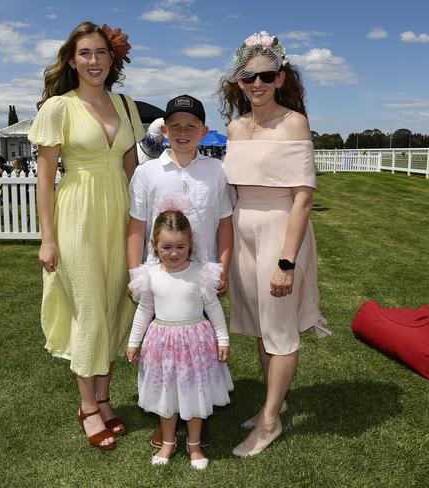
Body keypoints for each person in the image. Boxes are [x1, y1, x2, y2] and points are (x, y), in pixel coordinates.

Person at [28, 21, 144, 451]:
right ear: (72, 60)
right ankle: (87, 407)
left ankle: (105, 397)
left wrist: (145, 222)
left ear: (112, 59)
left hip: (121, 213)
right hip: (77, 213)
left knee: (116, 302)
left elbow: (134, 169)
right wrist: (48, 237)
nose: (94, 61)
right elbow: (44, 180)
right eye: (85, 54)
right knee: (90, 307)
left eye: (101, 53)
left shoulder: (127, 105)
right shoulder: (59, 107)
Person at [218, 31, 331, 457]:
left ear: (281, 78)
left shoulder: (293, 123)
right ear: (239, 83)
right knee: (262, 329)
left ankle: (268, 423)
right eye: (249, 78)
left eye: (267, 76)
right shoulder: (234, 127)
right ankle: (275, 402)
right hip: (244, 232)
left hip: (281, 232)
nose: (257, 84)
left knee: (280, 331)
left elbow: (303, 196)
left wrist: (286, 261)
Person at [127, 94, 234, 449]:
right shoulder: (147, 172)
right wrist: (135, 273)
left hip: (200, 277)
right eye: (176, 126)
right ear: (165, 130)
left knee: (199, 355)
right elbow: (136, 227)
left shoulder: (216, 171)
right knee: (166, 356)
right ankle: (168, 418)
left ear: (203, 131)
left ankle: (197, 416)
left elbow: (224, 223)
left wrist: (224, 266)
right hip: (161, 275)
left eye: (191, 126)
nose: (183, 132)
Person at [127, 210, 233, 470]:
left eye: (180, 247)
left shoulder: (201, 273)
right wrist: (133, 342)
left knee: (195, 393)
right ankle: (168, 441)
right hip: (162, 346)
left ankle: (194, 444)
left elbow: (215, 308)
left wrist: (223, 339)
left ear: (190, 244)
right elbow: (144, 310)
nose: (173, 253)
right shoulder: (149, 275)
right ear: (154, 246)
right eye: (166, 247)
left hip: (196, 345)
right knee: (167, 396)